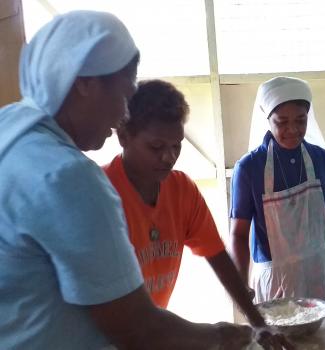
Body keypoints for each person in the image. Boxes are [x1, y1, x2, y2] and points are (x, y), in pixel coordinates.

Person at [0, 11, 252, 349]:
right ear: (84, 83)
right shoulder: (67, 176)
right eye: (122, 96)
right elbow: (138, 330)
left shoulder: (12, 134)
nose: (122, 115)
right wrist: (223, 336)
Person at [103, 79, 290, 349]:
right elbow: (122, 316)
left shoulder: (181, 190)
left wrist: (257, 322)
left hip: (150, 331)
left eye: (176, 146)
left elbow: (217, 256)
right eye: (156, 147)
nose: (169, 157)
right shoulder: (101, 195)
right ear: (123, 136)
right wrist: (215, 335)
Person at [229, 76, 325, 305]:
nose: (292, 130)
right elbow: (239, 235)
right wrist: (241, 286)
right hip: (278, 283)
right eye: (282, 122)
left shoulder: (322, 161)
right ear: (268, 120)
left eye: (301, 121)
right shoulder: (249, 169)